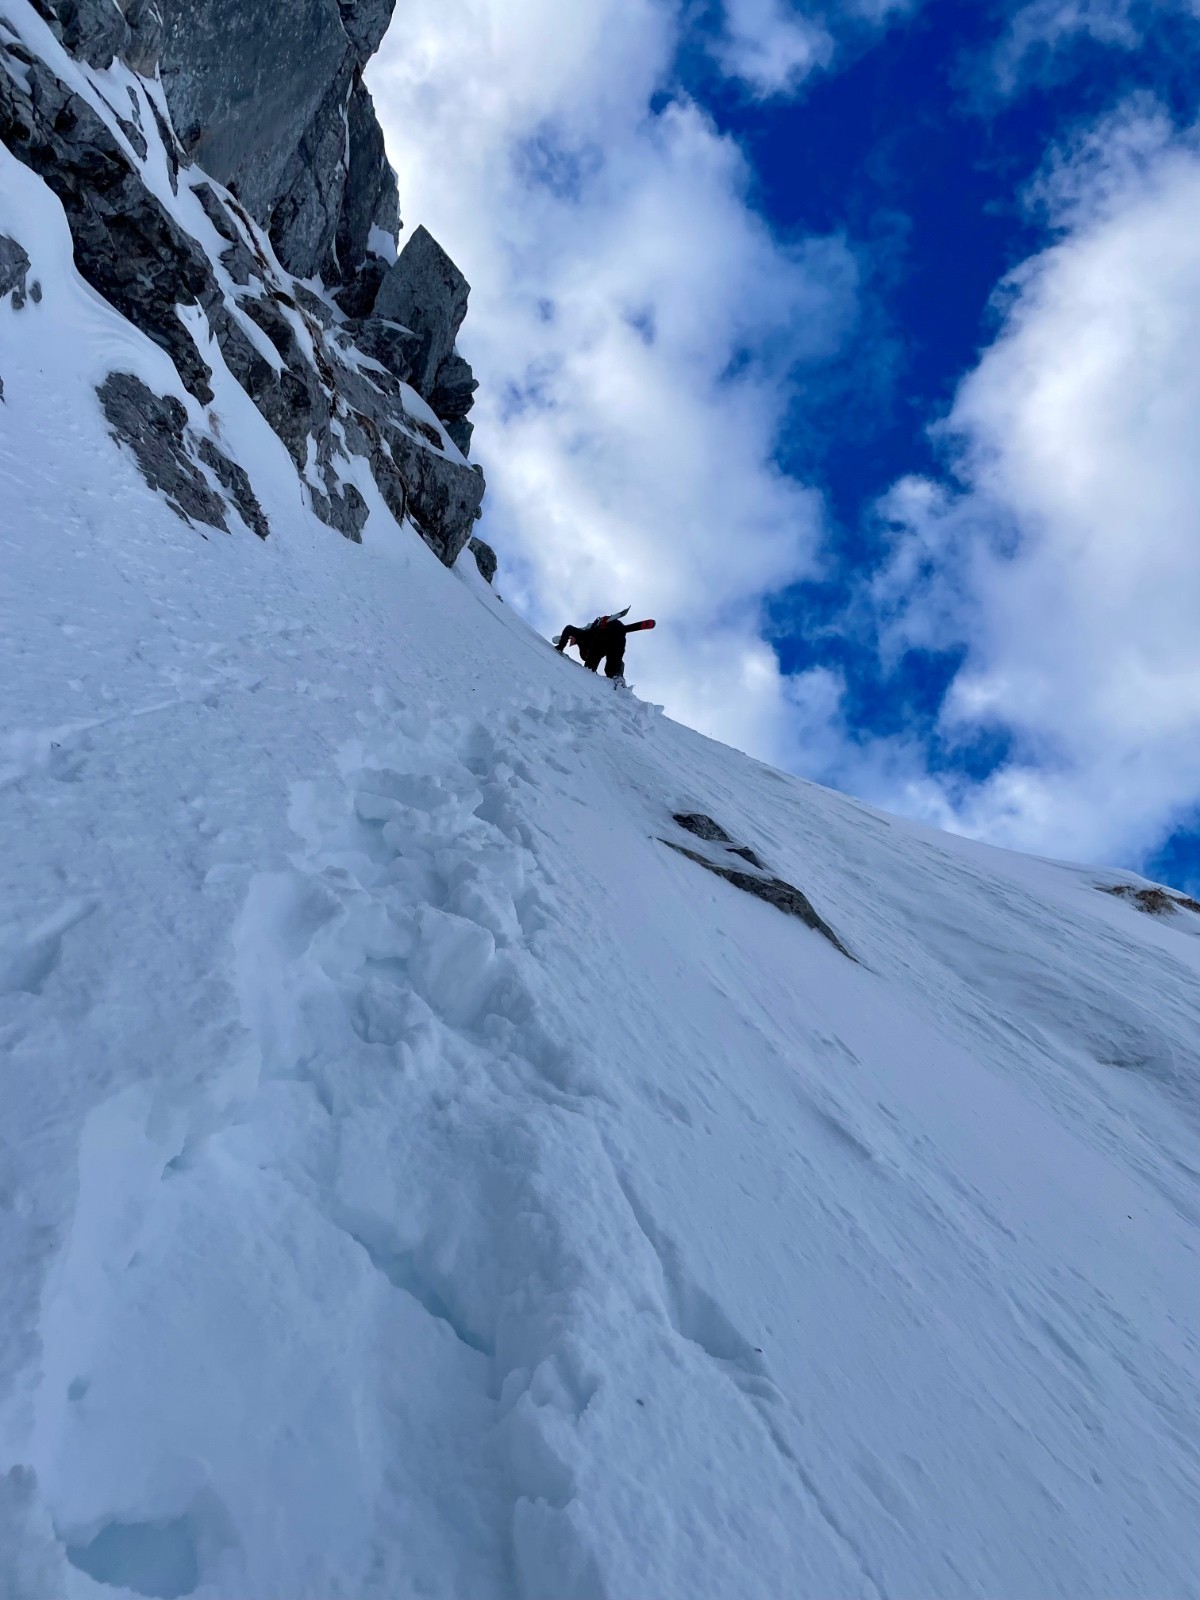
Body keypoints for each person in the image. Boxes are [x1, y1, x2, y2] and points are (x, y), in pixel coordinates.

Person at [554, 613, 631, 681]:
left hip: (603, 634)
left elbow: (568, 628)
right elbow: (618, 658)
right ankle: (618, 678)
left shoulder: (585, 637)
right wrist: (561, 646)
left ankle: (618, 677)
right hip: (618, 634)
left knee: (589, 669)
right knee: (611, 669)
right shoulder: (592, 647)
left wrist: (560, 647)